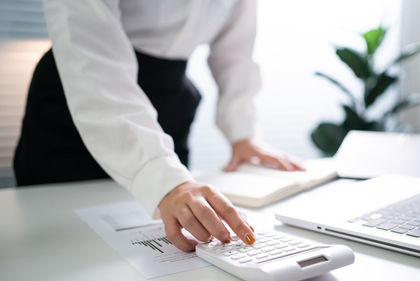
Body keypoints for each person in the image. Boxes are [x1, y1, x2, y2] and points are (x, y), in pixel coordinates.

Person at [13, 0, 303, 252]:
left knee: (162, 242)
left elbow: (236, 52)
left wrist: (243, 133)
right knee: (62, 242)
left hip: (171, 100)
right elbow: (91, 58)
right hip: (81, 100)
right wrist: (167, 182)